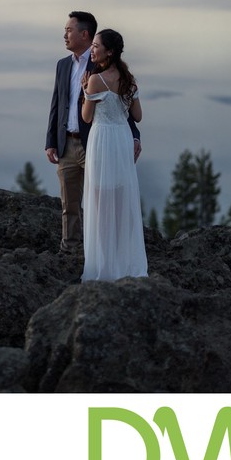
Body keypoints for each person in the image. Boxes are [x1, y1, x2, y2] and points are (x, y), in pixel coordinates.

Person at [45, 11, 140, 254]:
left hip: (96, 144)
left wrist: (135, 135)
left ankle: (101, 249)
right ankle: (70, 249)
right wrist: (51, 142)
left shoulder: (101, 65)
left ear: (84, 34)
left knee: (103, 200)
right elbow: (57, 104)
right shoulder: (62, 65)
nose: (65, 35)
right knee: (70, 203)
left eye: (69, 30)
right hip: (66, 143)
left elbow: (119, 105)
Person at [79, 28, 148, 280]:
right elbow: (137, 116)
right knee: (120, 201)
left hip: (102, 140)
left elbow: (86, 118)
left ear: (108, 51)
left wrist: (85, 89)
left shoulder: (96, 80)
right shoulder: (129, 80)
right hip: (122, 140)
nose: (92, 50)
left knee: (99, 202)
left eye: (96, 46)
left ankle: (106, 266)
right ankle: (123, 261)